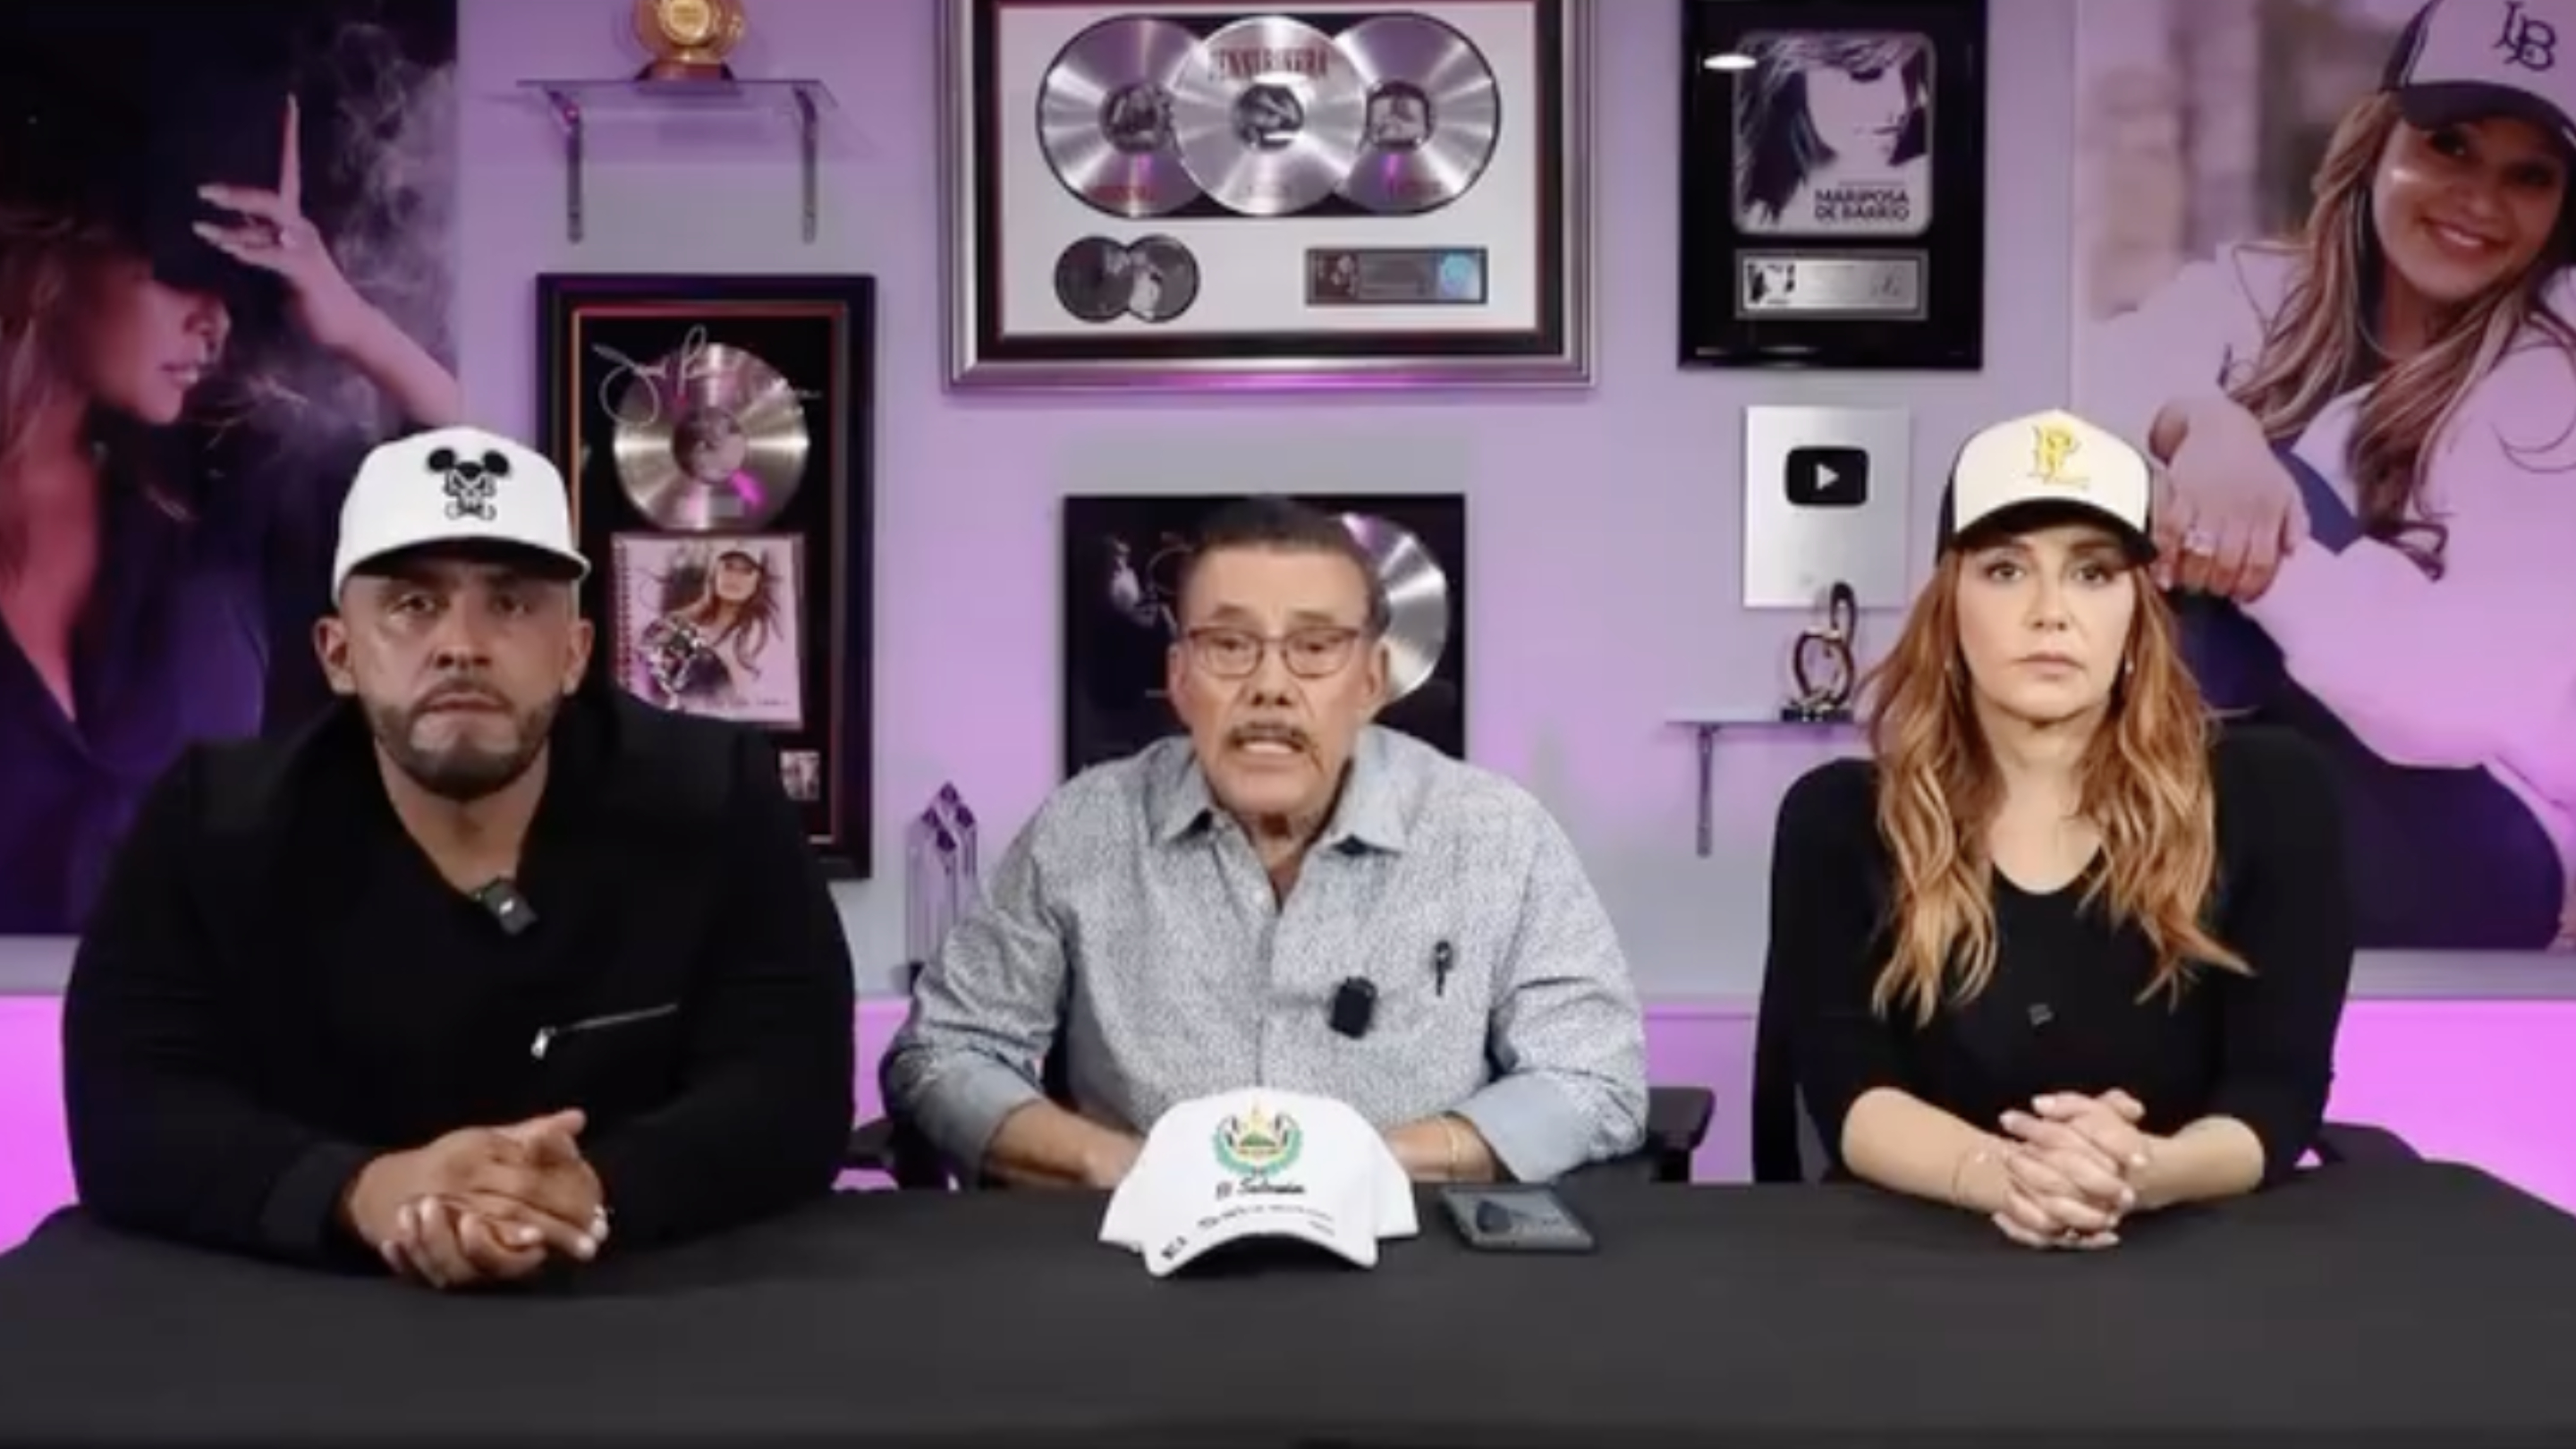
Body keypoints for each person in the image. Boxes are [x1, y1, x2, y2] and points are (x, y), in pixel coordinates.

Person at [59, 425, 855, 1288]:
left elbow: (794, 1087)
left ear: (575, 654)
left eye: (510, 604)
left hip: (653, 1309)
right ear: (338, 654)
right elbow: (129, 1111)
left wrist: (592, 1191)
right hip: (297, 1323)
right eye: (413, 604)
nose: (462, 644)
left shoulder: (716, 796)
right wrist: (364, 1192)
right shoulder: (214, 823)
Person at [885, 496, 1648, 1188]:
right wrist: (1117, 1168)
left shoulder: (1497, 835)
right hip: (1136, 1256)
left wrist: (1377, 1166)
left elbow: (1594, 1077)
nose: (1271, 686)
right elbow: (943, 1051)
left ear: (1372, 680)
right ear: (1180, 678)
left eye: (1315, 647)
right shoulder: (1083, 830)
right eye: (1229, 644)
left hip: (1416, 1257)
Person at [1767, 410, 2355, 1250]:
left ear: (2138, 612)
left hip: (2191, 1261)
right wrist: (2003, 1176)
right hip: (1919, 1263)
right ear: (1950, 606)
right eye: (2007, 570)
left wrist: (2139, 1174)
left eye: (2092, 572)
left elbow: (2277, 1094)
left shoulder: (2273, 794)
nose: (2050, 612)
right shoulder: (1840, 818)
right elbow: (1850, 1095)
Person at [2080, 0, 2576, 948]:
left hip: (2476, 835)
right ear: (2379, 138)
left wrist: (2259, 547)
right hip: (2260, 768)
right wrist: (2207, 429)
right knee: (2061, 513)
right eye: (2450, 146)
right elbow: (2086, 405)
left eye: (2530, 175)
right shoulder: (2255, 293)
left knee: (2204, 612)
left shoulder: (2551, 386)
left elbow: (2446, 702)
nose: (2479, 200)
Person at [0, 47, 464, 933]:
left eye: (237, 287)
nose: (213, 320)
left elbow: (493, 494)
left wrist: (352, 324)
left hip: (206, 1013)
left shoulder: (222, 493)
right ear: (53, 256)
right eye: (184, 272)